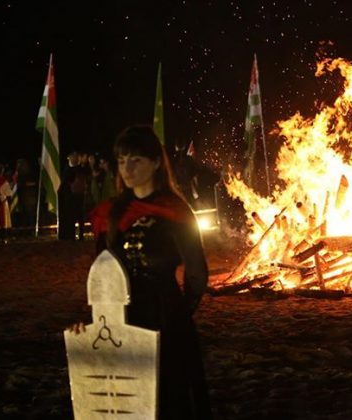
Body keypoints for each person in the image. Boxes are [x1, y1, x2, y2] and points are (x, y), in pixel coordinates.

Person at [71, 125, 211, 418]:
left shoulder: (175, 212)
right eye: (122, 161)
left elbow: (196, 273)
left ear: (156, 162)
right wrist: (95, 322)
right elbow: (101, 273)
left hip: (165, 314)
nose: (127, 168)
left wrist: (178, 315)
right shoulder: (110, 214)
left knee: (167, 397)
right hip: (121, 315)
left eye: (136, 160)